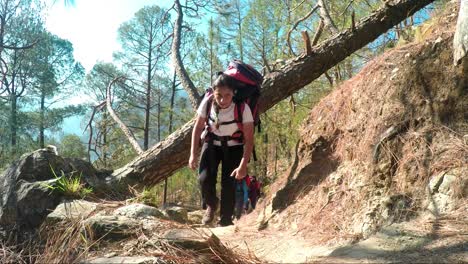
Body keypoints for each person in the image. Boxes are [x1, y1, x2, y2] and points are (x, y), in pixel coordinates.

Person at [188, 72, 254, 227]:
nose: (223, 100)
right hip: (211, 144)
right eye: (219, 95)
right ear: (213, 92)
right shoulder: (208, 102)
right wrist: (192, 154)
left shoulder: (243, 108)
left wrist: (243, 166)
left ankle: (225, 219)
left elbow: (250, 139)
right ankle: (211, 205)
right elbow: (197, 128)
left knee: (229, 184)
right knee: (204, 179)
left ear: (234, 93)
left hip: (234, 148)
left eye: (227, 95)